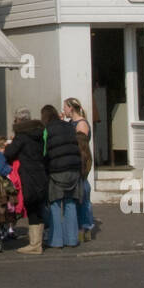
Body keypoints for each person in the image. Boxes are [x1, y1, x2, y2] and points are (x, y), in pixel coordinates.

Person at [4, 108, 47, 254]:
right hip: (40, 173)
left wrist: (9, 145)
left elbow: (9, 153)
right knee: (38, 207)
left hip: (28, 175)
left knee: (32, 207)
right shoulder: (38, 133)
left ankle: (35, 245)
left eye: (15, 120)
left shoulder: (21, 136)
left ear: (19, 121)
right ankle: (37, 242)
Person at [40, 106, 83, 248]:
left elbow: (44, 151)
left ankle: (56, 240)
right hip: (74, 169)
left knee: (55, 204)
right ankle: (72, 239)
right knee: (70, 203)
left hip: (57, 170)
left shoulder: (47, 130)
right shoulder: (69, 126)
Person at [62, 98, 95, 242]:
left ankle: (85, 228)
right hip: (74, 161)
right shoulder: (71, 123)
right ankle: (79, 228)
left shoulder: (81, 124)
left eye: (65, 108)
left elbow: (81, 147)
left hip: (81, 162)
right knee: (77, 196)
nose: (63, 110)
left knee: (83, 196)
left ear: (71, 108)